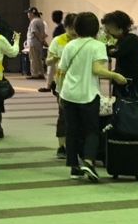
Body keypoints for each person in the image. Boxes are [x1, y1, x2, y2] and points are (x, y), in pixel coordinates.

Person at [57, 11, 127, 183]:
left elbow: (61, 71)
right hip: (87, 95)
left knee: (72, 131)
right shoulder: (97, 46)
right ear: (95, 28)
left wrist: (59, 92)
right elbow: (97, 69)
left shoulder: (70, 45)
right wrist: (115, 76)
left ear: (76, 28)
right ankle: (88, 161)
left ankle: (74, 167)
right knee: (91, 131)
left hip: (68, 94)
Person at [46, 13, 77, 158]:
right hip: (61, 84)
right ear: (65, 27)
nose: (74, 32)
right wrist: (54, 59)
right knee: (64, 115)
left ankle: (78, 145)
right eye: (71, 28)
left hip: (79, 84)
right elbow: (47, 61)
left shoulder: (83, 41)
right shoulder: (58, 41)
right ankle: (61, 146)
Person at [103, 10, 138, 99]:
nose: (107, 32)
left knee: (128, 107)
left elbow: (114, 52)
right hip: (125, 78)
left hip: (133, 82)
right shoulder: (123, 39)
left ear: (120, 29)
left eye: (109, 30)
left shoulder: (130, 40)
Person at [40, 10, 66, 93]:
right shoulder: (60, 28)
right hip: (58, 50)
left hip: (58, 51)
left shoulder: (60, 29)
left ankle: (49, 85)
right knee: (52, 69)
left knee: (51, 69)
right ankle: (50, 84)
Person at [25, 7, 48, 79]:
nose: (27, 14)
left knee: (33, 59)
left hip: (33, 43)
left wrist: (41, 40)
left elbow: (35, 32)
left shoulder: (34, 21)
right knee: (39, 59)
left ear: (32, 13)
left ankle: (34, 73)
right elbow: (43, 33)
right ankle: (41, 73)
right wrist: (43, 41)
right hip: (39, 44)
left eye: (28, 13)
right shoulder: (40, 21)